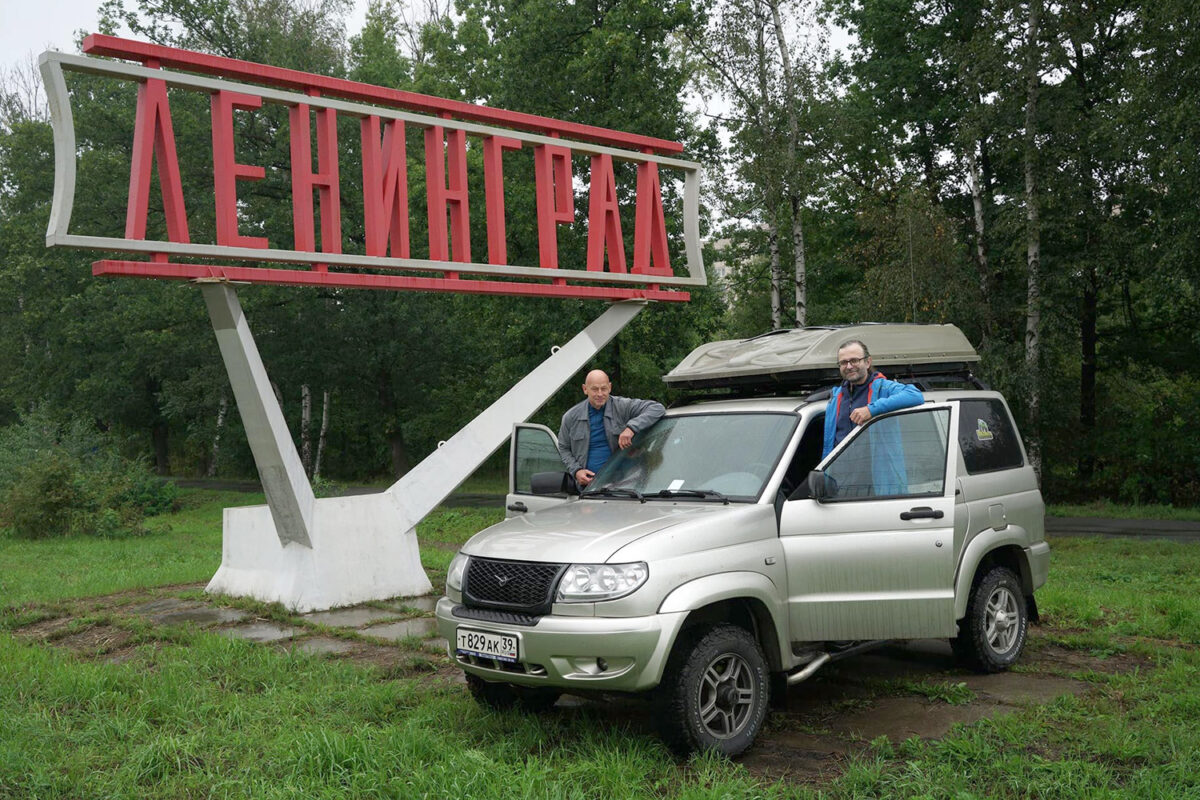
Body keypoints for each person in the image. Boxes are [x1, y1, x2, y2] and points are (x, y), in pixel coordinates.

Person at [558, 369, 665, 488]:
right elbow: (563, 447)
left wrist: (631, 428)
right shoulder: (571, 417)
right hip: (589, 489)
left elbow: (657, 408)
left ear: (610, 387)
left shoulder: (623, 406)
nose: (600, 394)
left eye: (603, 389)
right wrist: (576, 471)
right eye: (594, 389)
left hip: (626, 485)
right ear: (585, 389)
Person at [822, 339, 923, 457]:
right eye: (843, 362)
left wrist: (871, 410)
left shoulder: (883, 388)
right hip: (840, 472)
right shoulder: (836, 397)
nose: (849, 366)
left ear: (868, 362)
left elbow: (915, 395)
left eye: (854, 360)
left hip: (875, 472)